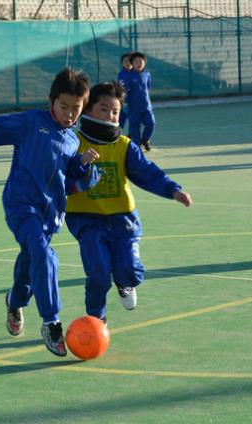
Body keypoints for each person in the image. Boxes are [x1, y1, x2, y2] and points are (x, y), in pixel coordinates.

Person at [0, 68, 100, 357]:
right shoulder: (31, 122)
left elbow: (71, 177)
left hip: (50, 216)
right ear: (51, 101)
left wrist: (85, 167)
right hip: (21, 207)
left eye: (75, 109)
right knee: (44, 255)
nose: (68, 114)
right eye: (63, 106)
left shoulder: (73, 141)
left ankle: (14, 301)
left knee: (31, 263)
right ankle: (51, 322)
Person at [65, 81, 192, 324]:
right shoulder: (72, 142)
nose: (110, 115)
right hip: (86, 219)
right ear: (88, 109)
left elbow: (147, 172)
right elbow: (58, 176)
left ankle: (125, 283)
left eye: (115, 111)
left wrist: (172, 190)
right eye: (104, 109)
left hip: (123, 219)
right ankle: (96, 319)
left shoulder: (124, 146)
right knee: (99, 272)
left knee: (129, 271)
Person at [124, 52, 155, 152]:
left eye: (141, 61)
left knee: (151, 124)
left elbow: (148, 88)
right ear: (132, 63)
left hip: (147, 108)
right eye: (136, 61)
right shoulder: (129, 76)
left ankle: (145, 140)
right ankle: (137, 147)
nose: (139, 63)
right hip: (133, 109)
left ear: (144, 62)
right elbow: (125, 90)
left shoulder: (147, 74)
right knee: (134, 129)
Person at [117, 52, 132, 129]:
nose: (128, 63)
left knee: (134, 121)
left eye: (130, 61)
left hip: (134, 103)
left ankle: (132, 135)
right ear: (122, 63)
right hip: (124, 102)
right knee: (121, 119)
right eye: (125, 61)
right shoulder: (121, 74)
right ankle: (117, 135)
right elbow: (121, 87)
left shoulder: (136, 74)